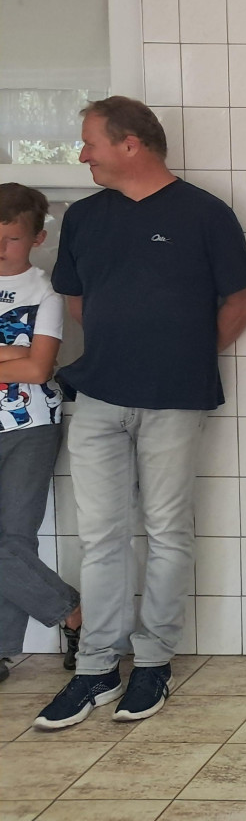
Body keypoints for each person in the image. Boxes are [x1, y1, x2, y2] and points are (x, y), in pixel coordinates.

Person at [34, 96, 246, 729]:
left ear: (130, 144)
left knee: (167, 531)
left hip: (176, 400)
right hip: (98, 398)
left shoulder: (205, 213)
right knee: (101, 536)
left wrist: (183, 354)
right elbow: (78, 302)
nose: (83, 154)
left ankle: (154, 662)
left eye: (90, 142)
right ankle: (96, 668)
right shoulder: (84, 217)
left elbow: (243, 301)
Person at [0, 183, 81, 682]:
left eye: (10, 238)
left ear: (36, 238)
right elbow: (25, 360)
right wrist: (15, 353)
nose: (0, 247)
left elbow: (38, 369)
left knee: (14, 538)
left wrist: (26, 360)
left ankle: (2, 648)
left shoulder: (45, 293)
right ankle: (72, 612)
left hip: (29, 426)